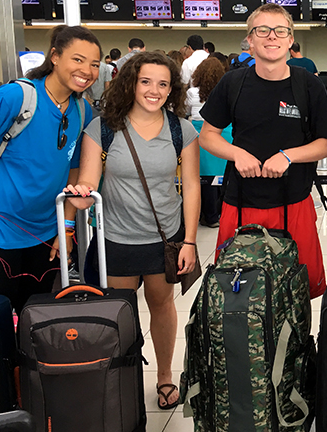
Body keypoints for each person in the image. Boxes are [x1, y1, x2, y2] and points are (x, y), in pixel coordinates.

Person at [64, 51, 200, 411]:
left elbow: (191, 185)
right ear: (130, 83)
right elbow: (89, 181)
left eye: (163, 84)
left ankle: (165, 376)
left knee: (162, 306)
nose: (154, 91)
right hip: (116, 240)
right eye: (145, 82)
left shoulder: (180, 129)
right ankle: (121, 376)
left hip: (164, 238)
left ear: (172, 90)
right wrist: (78, 197)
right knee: (119, 314)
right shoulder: (103, 127)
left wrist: (189, 240)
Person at [198, 3, 327, 299]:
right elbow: (208, 136)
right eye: (262, 30)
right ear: (249, 39)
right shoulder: (232, 83)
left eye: (280, 31)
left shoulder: (308, 86)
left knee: (297, 291)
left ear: (290, 39)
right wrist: (237, 154)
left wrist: (288, 156)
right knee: (237, 294)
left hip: (294, 203)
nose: (271, 37)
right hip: (240, 203)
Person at [0, 25, 99, 313]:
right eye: (78, 60)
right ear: (55, 56)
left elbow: (75, 172)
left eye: (94, 64)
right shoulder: (15, 97)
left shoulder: (81, 110)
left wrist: (65, 229)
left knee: (36, 322)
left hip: (45, 232)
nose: (87, 71)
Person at [187, 58, 231, 227]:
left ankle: (204, 214)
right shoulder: (224, 91)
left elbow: (186, 112)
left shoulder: (192, 93)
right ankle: (218, 213)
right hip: (223, 133)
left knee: (202, 176)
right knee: (220, 175)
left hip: (199, 132)